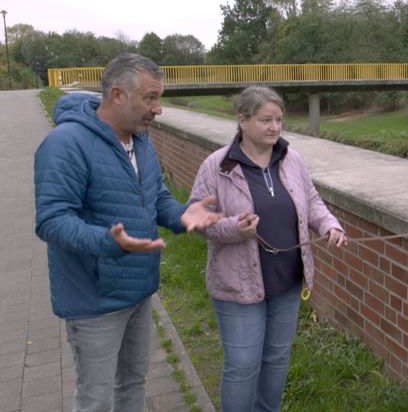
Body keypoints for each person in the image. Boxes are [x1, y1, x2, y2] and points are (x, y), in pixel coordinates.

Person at [34, 53, 222, 412]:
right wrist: (108, 243)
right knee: (96, 398)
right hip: (94, 300)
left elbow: (156, 197)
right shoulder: (66, 143)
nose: (158, 109)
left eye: (159, 98)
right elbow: (52, 219)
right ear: (117, 95)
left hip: (139, 290)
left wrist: (184, 216)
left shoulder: (141, 139)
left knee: (133, 384)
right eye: (150, 98)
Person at [189, 85, 347, 412]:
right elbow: (196, 218)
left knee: (276, 359)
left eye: (279, 120)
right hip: (237, 285)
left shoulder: (292, 159)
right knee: (243, 365)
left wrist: (330, 225)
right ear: (242, 121)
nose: (275, 127)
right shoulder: (218, 166)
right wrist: (234, 228)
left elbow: (313, 202)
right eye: (265, 120)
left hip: (287, 280)